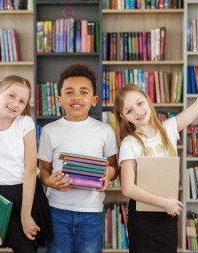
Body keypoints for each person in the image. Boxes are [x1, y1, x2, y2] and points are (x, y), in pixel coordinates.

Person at [114, 42, 198, 252]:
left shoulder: (169, 129)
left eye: (140, 103)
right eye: (130, 110)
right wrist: (165, 203)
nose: (138, 111)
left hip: (167, 214)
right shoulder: (130, 143)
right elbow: (128, 188)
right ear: (124, 117)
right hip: (144, 217)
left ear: (148, 100)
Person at [38, 64, 119, 253]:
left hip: (91, 212)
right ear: (59, 99)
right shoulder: (49, 131)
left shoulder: (104, 131)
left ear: (94, 100)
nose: (76, 97)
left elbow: (114, 167)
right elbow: (43, 169)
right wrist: (49, 181)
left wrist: (109, 173)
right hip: (57, 210)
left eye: (84, 92)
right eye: (69, 92)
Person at [0, 75, 52, 253]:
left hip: (30, 195)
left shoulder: (25, 123)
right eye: (11, 96)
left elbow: (31, 170)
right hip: (4, 199)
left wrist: (25, 215)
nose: (15, 103)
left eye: (22, 101)